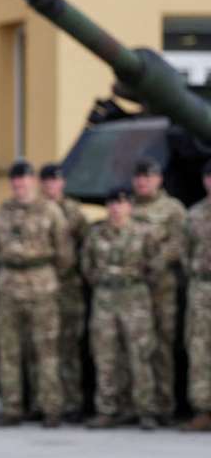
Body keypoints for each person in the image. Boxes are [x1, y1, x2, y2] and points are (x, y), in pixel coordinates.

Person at [0, 160, 74, 428]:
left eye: (24, 180)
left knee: (46, 350)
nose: (20, 185)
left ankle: (50, 408)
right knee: (8, 350)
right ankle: (12, 408)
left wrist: (45, 273)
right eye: (15, 181)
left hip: (41, 285)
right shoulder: (4, 211)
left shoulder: (50, 210)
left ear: (33, 182)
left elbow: (65, 253)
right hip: (9, 286)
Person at [81, 187, 162, 431]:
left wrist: (135, 280)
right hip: (105, 298)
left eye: (122, 203)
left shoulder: (144, 232)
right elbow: (87, 266)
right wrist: (104, 281)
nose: (117, 208)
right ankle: (107, 410)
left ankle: (145, 410)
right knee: (105, 355)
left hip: (135, 297)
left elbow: (155, 264)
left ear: (130, 206)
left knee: (140, 355)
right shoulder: (96, 234)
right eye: (112, 203)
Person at [130, 158, 187, 424]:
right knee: (136, 347)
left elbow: (180, 241)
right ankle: (138, 404)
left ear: (159, 179)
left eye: (149, 176)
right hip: (132, 290)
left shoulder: (172, 209)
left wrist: (156, 261)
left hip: (162, 287)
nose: (143, 181)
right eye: (139, 176)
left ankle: (164, 405)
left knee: (162, 346)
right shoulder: (125, 206)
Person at [39, 163, 89, 423]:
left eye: (55, 181)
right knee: (44, 348)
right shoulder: (33, 210)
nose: (51, 185)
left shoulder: (74, 213)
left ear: (62, 184)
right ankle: (45, 402)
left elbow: (86, 246)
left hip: (68, 287)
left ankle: (72, 402)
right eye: (47, 181)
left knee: (69, 347)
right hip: (38, 287)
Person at [181, 160, 211, 432]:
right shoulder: (194, 215)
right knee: (199, 347)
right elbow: (184, 253)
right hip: (201, 287)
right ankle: (203, 409)